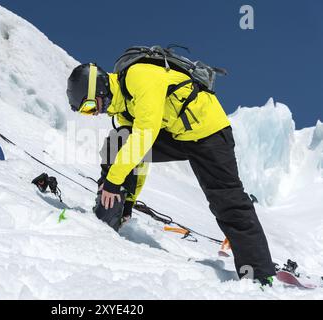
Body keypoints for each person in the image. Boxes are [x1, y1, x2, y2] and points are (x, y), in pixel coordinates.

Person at [66, 62, 276, 286]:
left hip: (209, 133)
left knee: (227, 201)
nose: (94, 113)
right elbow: (138, 156)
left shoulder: (139, 77)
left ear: (99, 89)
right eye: (87, 112)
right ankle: (109, 219)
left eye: (90, 106)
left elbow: (145, 135)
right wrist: (129, 202)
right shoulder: (124, 107)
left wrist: (113, 181)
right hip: (177, 135)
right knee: (118, 142)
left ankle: (259, 276)